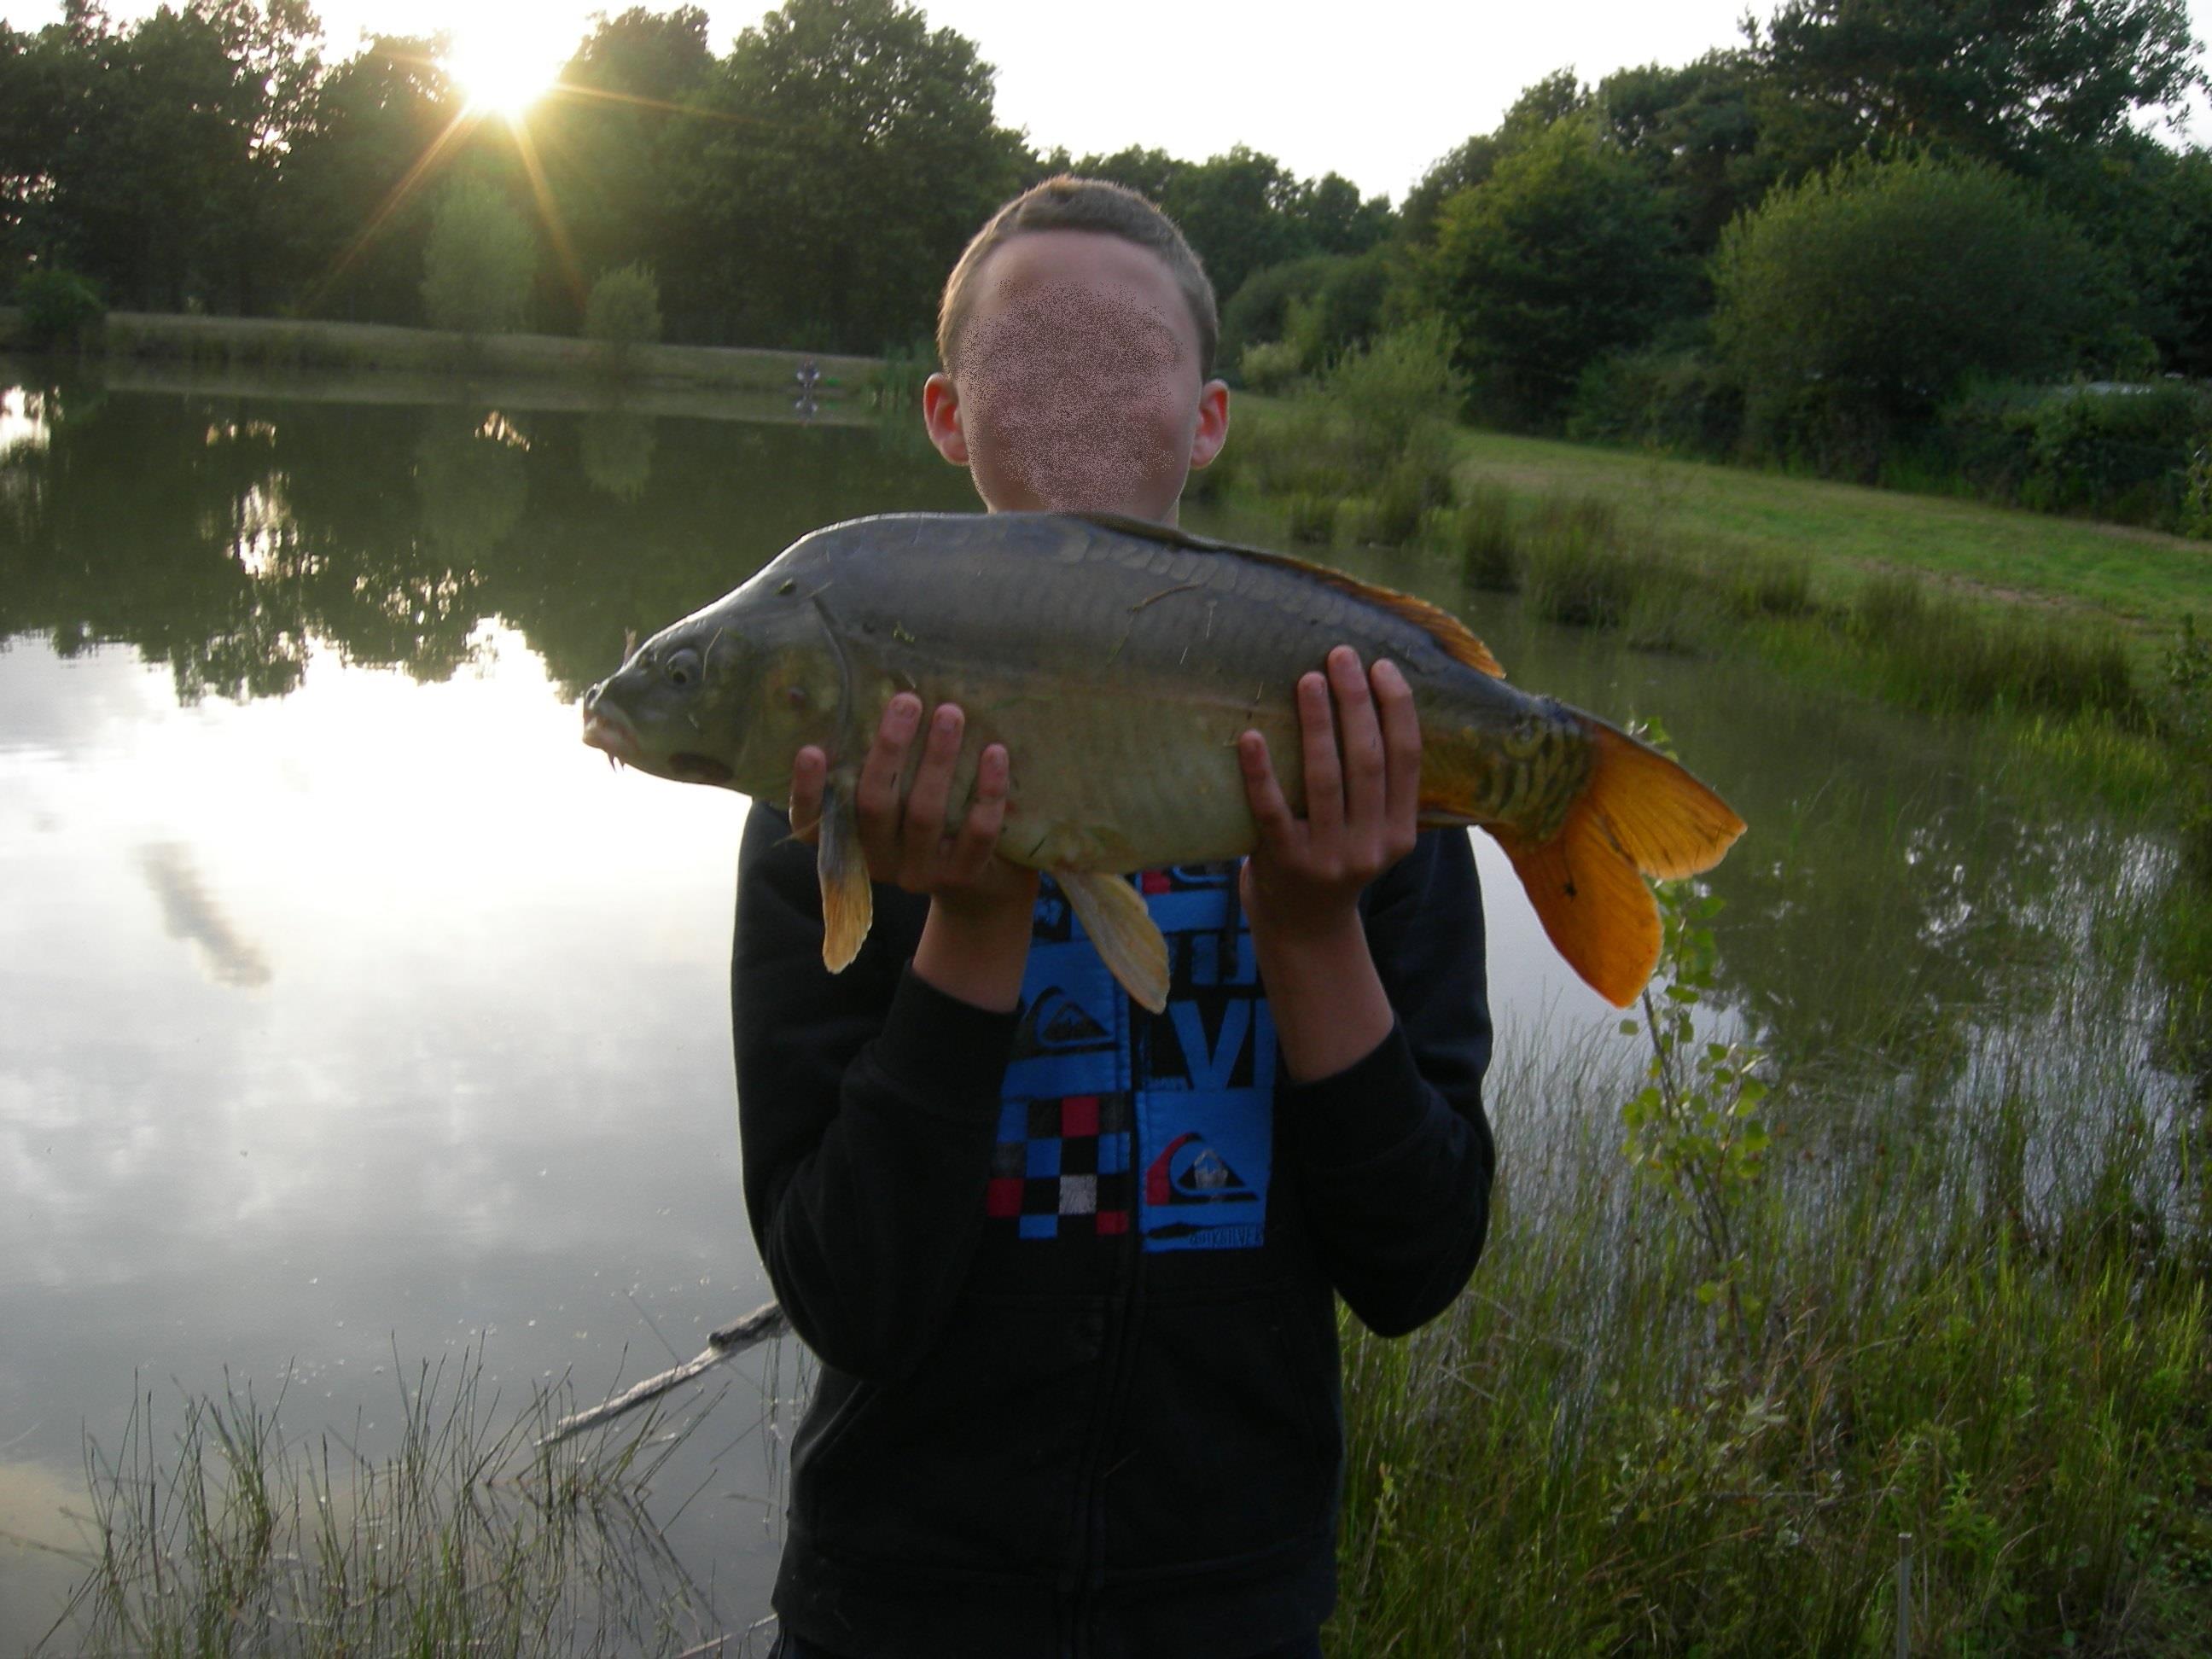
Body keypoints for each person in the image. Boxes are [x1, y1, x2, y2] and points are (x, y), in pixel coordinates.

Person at [732, 177, 1495, 1659]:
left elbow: (1415, 1268)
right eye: (1037, 355)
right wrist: (972, 921)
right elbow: (850, 1298)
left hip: (1232, 1604)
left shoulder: (1352, 753)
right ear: (947, 416)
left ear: (1209, 417)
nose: (1078, 390)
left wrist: (1316, 928)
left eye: (1121, 354)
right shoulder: (832, 793)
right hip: (894, 1600)